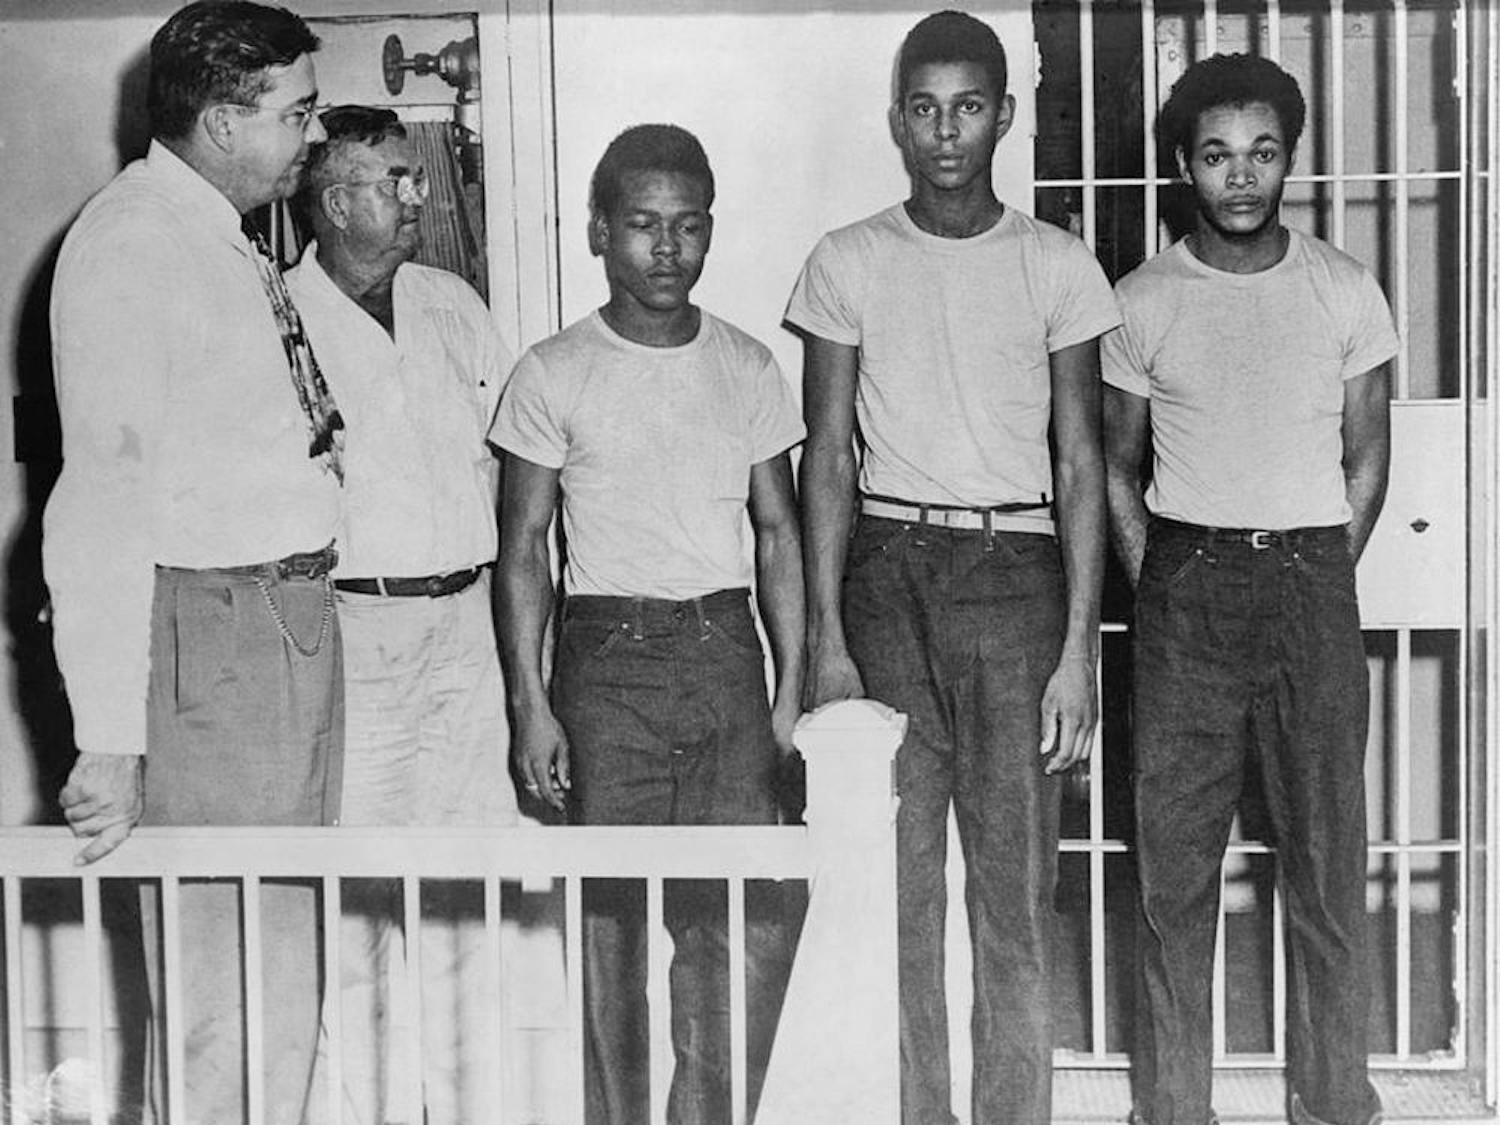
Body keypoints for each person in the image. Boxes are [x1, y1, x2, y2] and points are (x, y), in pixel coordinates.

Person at [785, 10, 1117, 1123]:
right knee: (897, 888)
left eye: (968, 106)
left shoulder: (1057, 264)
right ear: (896, 121)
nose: (945, 131)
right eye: (924, 108)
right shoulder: (847, 260)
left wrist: (1079, 648)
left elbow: (1080, 461)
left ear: (1005, 117)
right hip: (886, 574)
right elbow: (824, 457)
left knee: (1017, 895)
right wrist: (828, 640)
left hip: (1016, 580)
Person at [45, 2, 342, 1121]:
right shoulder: (132, 245)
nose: (313, 136)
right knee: (225, 995)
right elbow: (101, 507)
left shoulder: (214, 231)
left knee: (281, 981)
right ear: (221, 121)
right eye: (297, 113)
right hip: (215, 650)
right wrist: (113, 740)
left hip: (278, 634)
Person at [1101, 53, 1396, 1125]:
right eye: (1218, 155)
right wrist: (1166, 584)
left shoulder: (1344, 289)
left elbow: (1368, 460)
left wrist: (1313, 567)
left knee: (1325, 866)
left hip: (1311, 589)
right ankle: (1173, 1108)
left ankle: (1332, 1102)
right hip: (1187, 592)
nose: (1241, 177)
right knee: (1174, 880)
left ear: (1288, 162)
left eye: (1262, 154)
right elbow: (1113, 468)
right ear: (1185, 165)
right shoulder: (1141, 300)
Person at [492, 124, 804, 1125]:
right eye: (642, 226)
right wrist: (532, 706)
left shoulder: (748, 365)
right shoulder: (553, 371)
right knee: (612, 931)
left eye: (689, 226)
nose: (666, 249)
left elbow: (779, 533)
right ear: (600, 232)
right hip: (604, 665)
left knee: (736, 924)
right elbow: (525, 548)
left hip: (722, 658)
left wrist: (789, 694)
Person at [286, 105, 518, 1125]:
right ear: (338, 203)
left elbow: (514, 474)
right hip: (352, 635)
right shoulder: (278, 316)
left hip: (468, 627)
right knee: (360, 905)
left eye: (416, 178)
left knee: (470, 900)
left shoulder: (451, 304)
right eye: (395, 180)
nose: (417, 197)